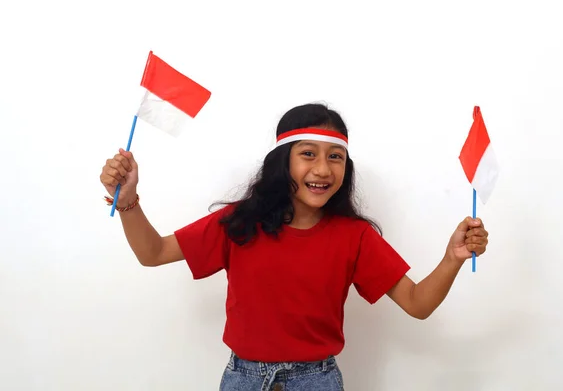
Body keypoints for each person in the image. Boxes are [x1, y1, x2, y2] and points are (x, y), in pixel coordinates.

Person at [99, 103, 489, 391]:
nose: (322, 169)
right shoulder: (239, 222)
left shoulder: (355, 236)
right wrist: (129, 201)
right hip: (243, 379)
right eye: (308, 154)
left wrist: (452, 258)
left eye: (335, 157)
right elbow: (152, 253)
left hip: (315, 381)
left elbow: (417, 303)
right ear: (283, 161)